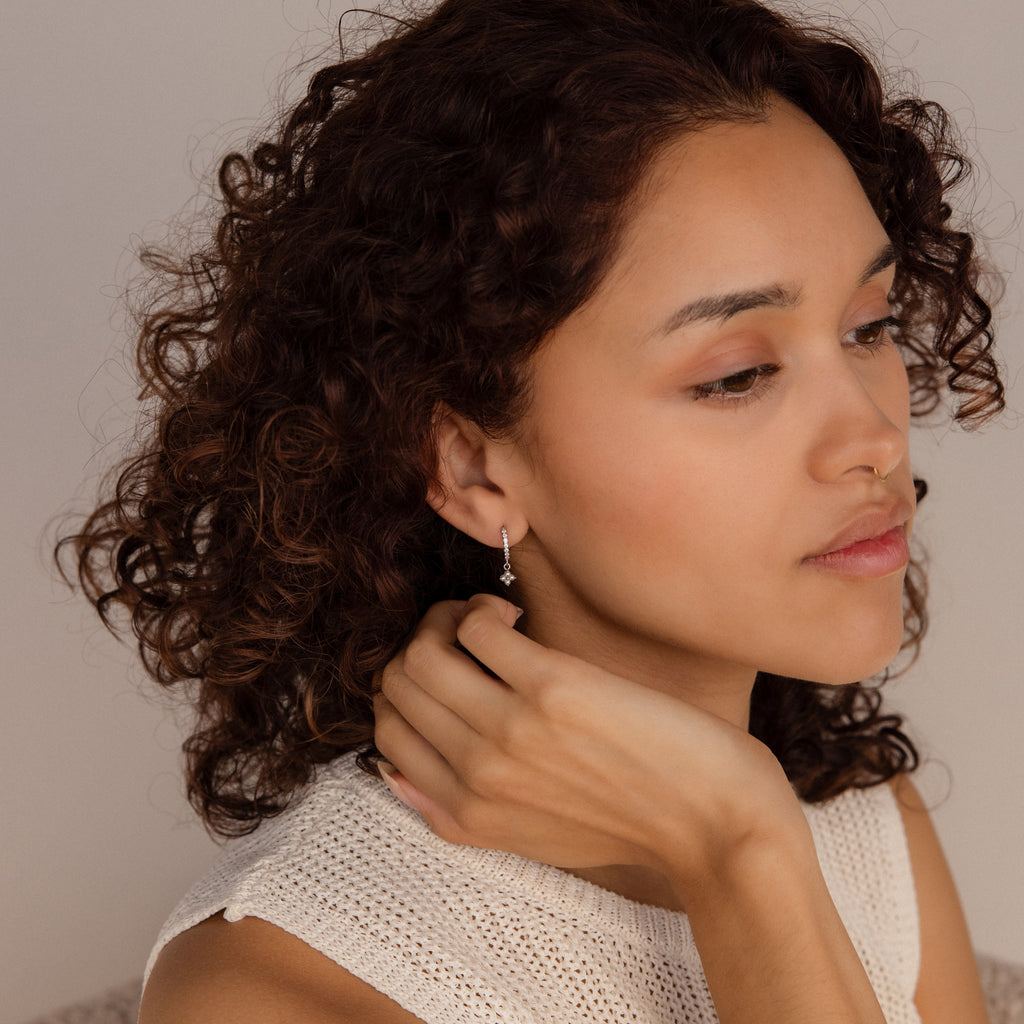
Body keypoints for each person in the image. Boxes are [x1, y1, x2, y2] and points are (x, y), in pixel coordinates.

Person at [62, 0, 1005, 1020]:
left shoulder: (862, 824)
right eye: (735, 375)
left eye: (867, 326)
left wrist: (742, 842)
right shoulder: (276, 983)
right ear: (473, 469)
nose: (872, 434)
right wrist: (736, 848)